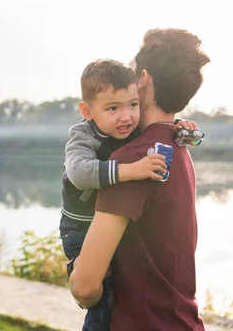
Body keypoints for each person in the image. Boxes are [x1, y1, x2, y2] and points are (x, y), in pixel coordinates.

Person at [69, 28, 210, 330]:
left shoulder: (134, 160)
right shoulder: (178, 144)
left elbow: (85, 284)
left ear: (143, 79)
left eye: (130, 72)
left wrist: (90, 301)